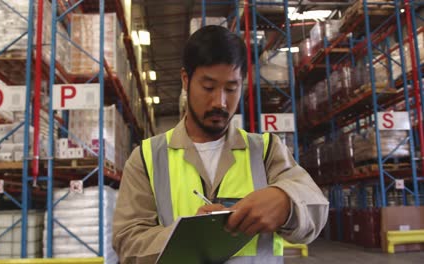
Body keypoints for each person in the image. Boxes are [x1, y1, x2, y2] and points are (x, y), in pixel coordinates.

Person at [112, 25, 329, 264]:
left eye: (231, 88)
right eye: (208, 87)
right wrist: (186, 237)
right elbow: (127, 243)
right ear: (186, 80)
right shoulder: (147, 157)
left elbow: (316, 207)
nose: (220, 102)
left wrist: (287, 202)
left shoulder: (266, 151)